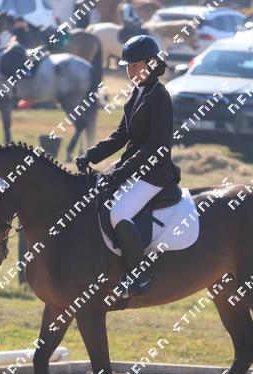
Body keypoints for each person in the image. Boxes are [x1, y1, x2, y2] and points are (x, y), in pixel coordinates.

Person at [75, 35, 178, 297]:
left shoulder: (160, 96)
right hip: (132, 167)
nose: (131, 72)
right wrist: (91, 155)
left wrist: (123, 170)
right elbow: (121, 136)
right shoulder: (135, 93)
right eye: (128, 67)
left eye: (136, 65)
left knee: (119, 213)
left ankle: (138, 277)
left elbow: (154, 145)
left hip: (153, 173)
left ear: (152, 64)